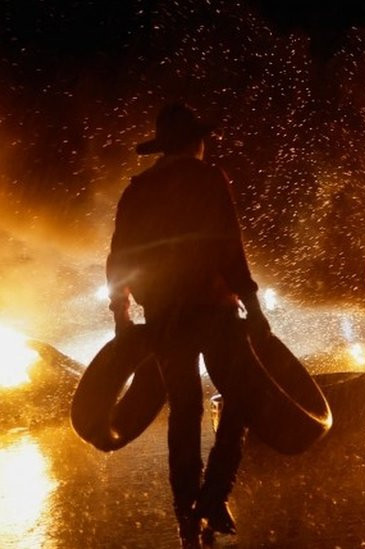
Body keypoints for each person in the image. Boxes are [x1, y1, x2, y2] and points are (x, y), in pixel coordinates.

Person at [107, 102, 270, 546]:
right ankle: (213, 497)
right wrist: (253, 306)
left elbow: (119, 256)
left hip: (162, 315)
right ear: (195, 142)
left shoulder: (138, 189)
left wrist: (122, 313)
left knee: (185, 409)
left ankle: (186, 514)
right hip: (212, 308)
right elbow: (226, 244)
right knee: (239, 399)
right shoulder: (207, 178)